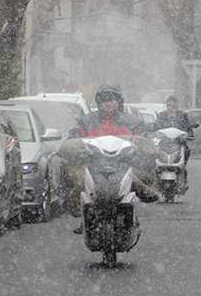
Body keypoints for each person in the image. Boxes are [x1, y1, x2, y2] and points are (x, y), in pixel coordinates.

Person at [57, 83, 160, 232]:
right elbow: (74, 138)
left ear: (119, 101)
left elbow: (143, 141)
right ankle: (83, 217)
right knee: (80, 181)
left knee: (134, 177)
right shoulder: (87, 121)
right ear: (99, 102)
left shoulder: (132, 122)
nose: (109, 104)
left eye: (112, 99)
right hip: (94, 166)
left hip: (123, 165)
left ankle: (140, 192)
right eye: (105, 100)